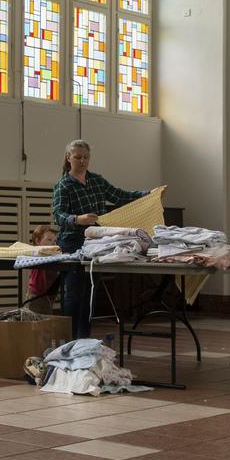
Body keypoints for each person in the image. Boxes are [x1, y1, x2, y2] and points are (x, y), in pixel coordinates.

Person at [51, 139, 163, 339]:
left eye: (86, 157)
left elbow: (120, 196)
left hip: (96, 243)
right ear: (69, 158)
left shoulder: (97, 180)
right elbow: (58, 215)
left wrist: (149, 194)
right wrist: (78, 219)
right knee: (74, 293)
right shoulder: (63, 185)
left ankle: (83, 340)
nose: (83, 161)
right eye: (78, 157)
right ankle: (68, 339)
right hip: (72, 242)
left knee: (89, 293)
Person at [26, 225, 58, 315]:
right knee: (37, 322)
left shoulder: (52, 255)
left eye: (55, 241)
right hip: (37, 295)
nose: (53, 243)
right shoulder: (37, 253)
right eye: (49, 240)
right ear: (38, 241)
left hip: (48, 294)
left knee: (45, 318)